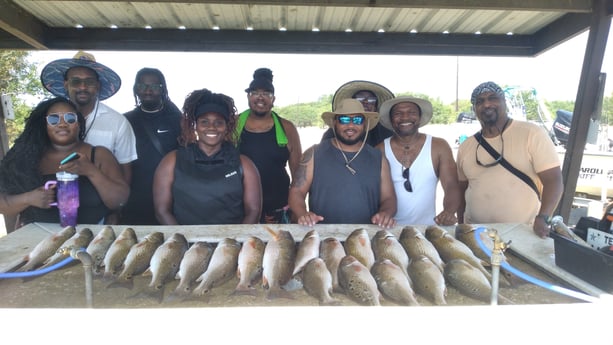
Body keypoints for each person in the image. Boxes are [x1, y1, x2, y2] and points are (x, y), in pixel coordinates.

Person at [0, 97, 129, 232]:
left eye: (70, 118)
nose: (62, 124)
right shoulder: (26, 158)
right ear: (44, 125)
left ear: (78, 123)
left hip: (90, 239)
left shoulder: (99, 155)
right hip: (37, 241)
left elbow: (119, 201)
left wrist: (91, 171)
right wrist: (28, 199)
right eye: (54, 119)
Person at [456, 81, 563, 238]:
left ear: (504, 102)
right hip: (477, 235)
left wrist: (544, 217)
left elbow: (554, 180)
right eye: (479, 101)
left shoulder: (531, 133)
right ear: (474, 109)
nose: (486, 104)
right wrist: (461, 225)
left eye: (493, 98)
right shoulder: (466, 146)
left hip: (522, 235)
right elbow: (461, 191)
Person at [153, 89, 262, 225]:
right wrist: (182, 241)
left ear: (227, 127)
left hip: (230, 243)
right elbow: (162, 210)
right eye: (204, 122)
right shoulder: (172, 161)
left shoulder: (244, 164)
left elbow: (254, 211)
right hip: (184, 242)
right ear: (196, 126)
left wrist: (233, 242)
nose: (212, 127)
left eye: (218, 122)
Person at [289, 98, 397, 228]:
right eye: (344, 120)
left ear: (365, 124)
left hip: (366, 237)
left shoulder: (378, 158)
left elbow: (389, 198)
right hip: (322, 236)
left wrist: (385, 213)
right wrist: (302, 214)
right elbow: (296, 192)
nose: (351, 125)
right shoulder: (313, 153)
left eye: (357, 120)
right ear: (334, 123)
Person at [40, 51, 137, 183]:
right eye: (75, 81)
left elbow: (125, 170)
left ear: (97, 86)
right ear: (66, 85)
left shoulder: (118, 122)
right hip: (56, 195)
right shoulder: (48, 118)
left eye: (89, 82)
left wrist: (121, 201)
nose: (83, 87)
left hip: (101, 199)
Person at [376, 97, 461, 226]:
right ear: (391, 120)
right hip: (388, 231)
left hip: (427, 232)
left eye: (412, 112)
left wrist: (449, 211)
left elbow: (451, 185)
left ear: (420, 117)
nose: (405, 117)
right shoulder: (379, 150)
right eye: (398, 113)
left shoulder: (438, 146)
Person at [236, 68, 301, 223]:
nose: (260, 97)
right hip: (239, 207)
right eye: (255, 93)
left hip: (278, 208)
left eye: (266, 94)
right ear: (248, 96)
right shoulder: (233, 125)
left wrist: (296, 209)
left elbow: (298, 174)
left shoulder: (287, 128)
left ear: (273, 99)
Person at [122, 68, 182, 225]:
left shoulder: (177, 120)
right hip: (135, 199)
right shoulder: (125, 120)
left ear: (163, 89)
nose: (148, 91)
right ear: (136, 89)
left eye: (155, 87)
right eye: (142, 86)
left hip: (171, 198)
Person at [321, 80, 394, 146]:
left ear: (375, 107)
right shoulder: (335, 130)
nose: (365, 102)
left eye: (371, 100)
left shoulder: (384, 131)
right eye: (360, 98)